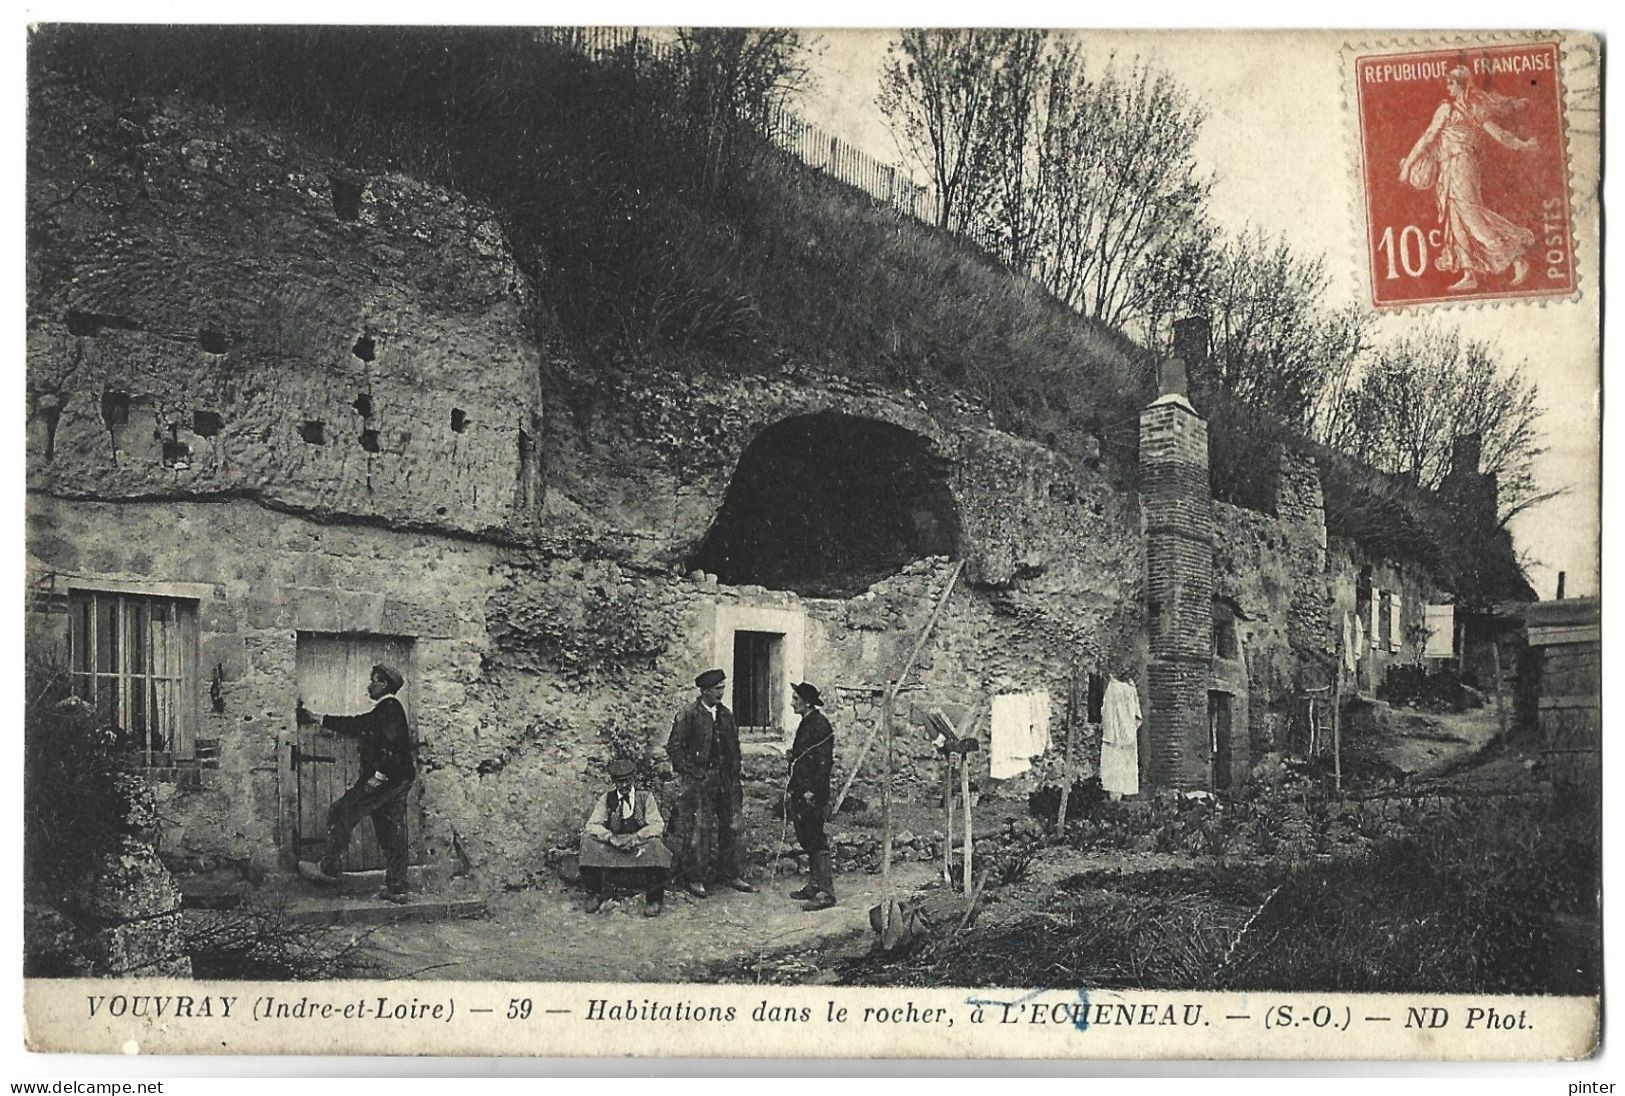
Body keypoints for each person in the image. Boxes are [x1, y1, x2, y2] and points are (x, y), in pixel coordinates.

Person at [1399, 65, 1539, 292]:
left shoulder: (1457, 109)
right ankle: (1469, 273)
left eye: (1451, 82)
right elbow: (1428, 138)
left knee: (1472, 217)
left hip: (1461, 165)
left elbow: (1498, 135)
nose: (1447, 87)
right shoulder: (1462, 108)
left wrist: (1407, 169)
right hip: (1448, 167)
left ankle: (1516, 258)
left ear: (1461, 84)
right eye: (1447, 83)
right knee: (1455, 220)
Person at [295, 664, 416, 903]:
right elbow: (358, 724)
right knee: (391, 832)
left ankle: (328, 868)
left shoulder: (389, 709)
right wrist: (319, 718)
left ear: (384, 685)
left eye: (373, 681)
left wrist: (378, 777)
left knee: (342, 811)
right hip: (398, 779)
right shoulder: (386, 710)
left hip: (386, 779)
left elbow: (392, 747)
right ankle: (397, 888)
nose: (368, 685)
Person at [664, 669, 754, 898]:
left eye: (723, 688)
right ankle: (695, 877)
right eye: (717, 689)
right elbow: (675, 748)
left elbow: (734, 747)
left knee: (733, 827)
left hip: (727, 781)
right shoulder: (688, 714)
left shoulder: (726, 715)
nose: (721, 693)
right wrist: (693, 773)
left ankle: (731, 873)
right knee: (699, 829)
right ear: (704, 691)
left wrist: (735, 773)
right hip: (700, 783)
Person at [579, 758, 671, 917]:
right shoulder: (607, 799)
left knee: (656, 846)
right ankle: (594, 893)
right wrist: (609, 837)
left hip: (638, 845)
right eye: (620, 782)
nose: (624, 785)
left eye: (628, 780)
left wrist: (637, 837)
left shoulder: (645, 797)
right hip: (614, 845)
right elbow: (592, 825)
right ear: (614, 782)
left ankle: (654, 898)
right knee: (588, 842)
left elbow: (657, 824)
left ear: (633, 778)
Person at [785, 682, 837, 910]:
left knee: (815, 837)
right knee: (805, 836)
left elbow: (823, 763)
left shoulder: (820, 725)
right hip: (800, 790)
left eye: (795, 699)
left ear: (806, 702)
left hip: (811, 793)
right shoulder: (807, 723)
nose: (792, 703)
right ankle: (814, 885)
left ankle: (826, 892)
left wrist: (813, 791)